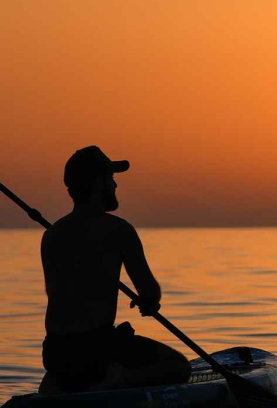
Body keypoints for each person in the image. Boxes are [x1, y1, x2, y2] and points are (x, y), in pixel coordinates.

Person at [39, 146, 192, 394]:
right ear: (99, 183)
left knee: (76, 359)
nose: (115, 185)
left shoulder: (52, 235)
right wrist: (148, 302)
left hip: (56, 353)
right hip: (97, 350)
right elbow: (149, 292)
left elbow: (62, 293)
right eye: (111, 178)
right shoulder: (119, 230)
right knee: (179, 367)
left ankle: (58, 381)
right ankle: (118, 380)